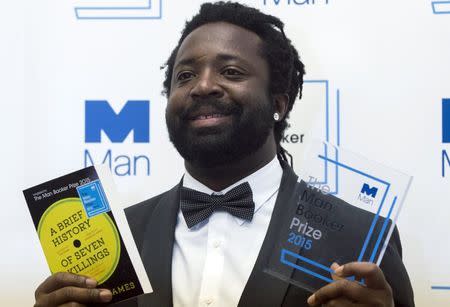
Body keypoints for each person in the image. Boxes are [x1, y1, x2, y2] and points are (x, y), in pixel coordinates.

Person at [33, 2, 414, 307]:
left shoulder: (361, 237)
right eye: (184, 76)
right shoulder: (118, 240)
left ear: (278, 103)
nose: (202, 86)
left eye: (231, 72)